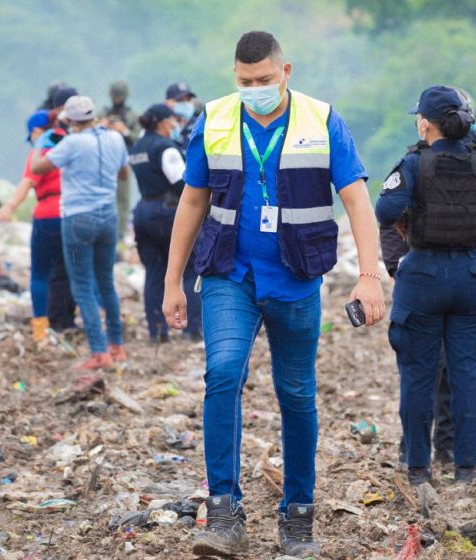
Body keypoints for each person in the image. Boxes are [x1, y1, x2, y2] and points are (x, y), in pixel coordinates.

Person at [162, 31, 384, 558]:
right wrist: (173, 280)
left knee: (297, 394)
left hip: (296, 279)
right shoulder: (214, 119)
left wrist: (370, 275)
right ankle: (224, 513)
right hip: (228, 275)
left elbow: (356, 201)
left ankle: (298, 518)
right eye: (244, 82)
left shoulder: (322, 120)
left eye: (263, 80)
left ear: (286, 72)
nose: (254, 89)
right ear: (233, 76)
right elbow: (193, 202)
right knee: (222, 374)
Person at [376, 85, 476, 488]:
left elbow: (385, 211)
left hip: (422, 278)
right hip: (472, 277)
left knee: (418, 375)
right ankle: (466, 469)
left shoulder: (413, 165)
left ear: (426, 124)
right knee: (468, 376)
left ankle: (418, 469)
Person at [31, 95, 130, 370]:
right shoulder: (115, 139)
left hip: (78, 219)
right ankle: (117, 345)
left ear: (71, 120)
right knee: (106, 282)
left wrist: (44, 145)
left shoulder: (71, 143)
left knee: (83, 285)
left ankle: (99, 353)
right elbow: (123, 174)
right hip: (108, 216)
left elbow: (38, 168)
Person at [0, 110, 74, 341]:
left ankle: (40, 330)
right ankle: (66, 321)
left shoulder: (42, 150)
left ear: (37, 132)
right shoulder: (73, 144)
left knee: (40, 274)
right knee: (67, 271)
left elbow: (28, 181)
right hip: (72, 215)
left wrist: (9, 206)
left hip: (47, 215)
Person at [129, 104, 202, 343]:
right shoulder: (165, 148)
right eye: (172, 120)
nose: (175, 124)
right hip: (166, 211)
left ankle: (157, 332)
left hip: (142, 211)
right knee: (191, 267)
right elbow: (183, 184)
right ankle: (191, 329)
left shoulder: (137, 147)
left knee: (154, 271)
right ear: (162, 122)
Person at [99, 80, 141, 240]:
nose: (117, 98)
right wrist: (103, 126)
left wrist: (123, 130)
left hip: (123, 161)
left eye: (119, 95)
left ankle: (121, 233)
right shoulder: (103, 113)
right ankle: (105, 231)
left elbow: (137, 138)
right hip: (102, 161)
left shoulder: (131, 116)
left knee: (123, 199)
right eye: (115, 95)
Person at [165, 81, 199, 149]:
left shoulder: (200, 124)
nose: (186, 103)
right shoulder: (160, 126)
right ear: (168, 102)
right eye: (180, 100)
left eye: (188, 99)